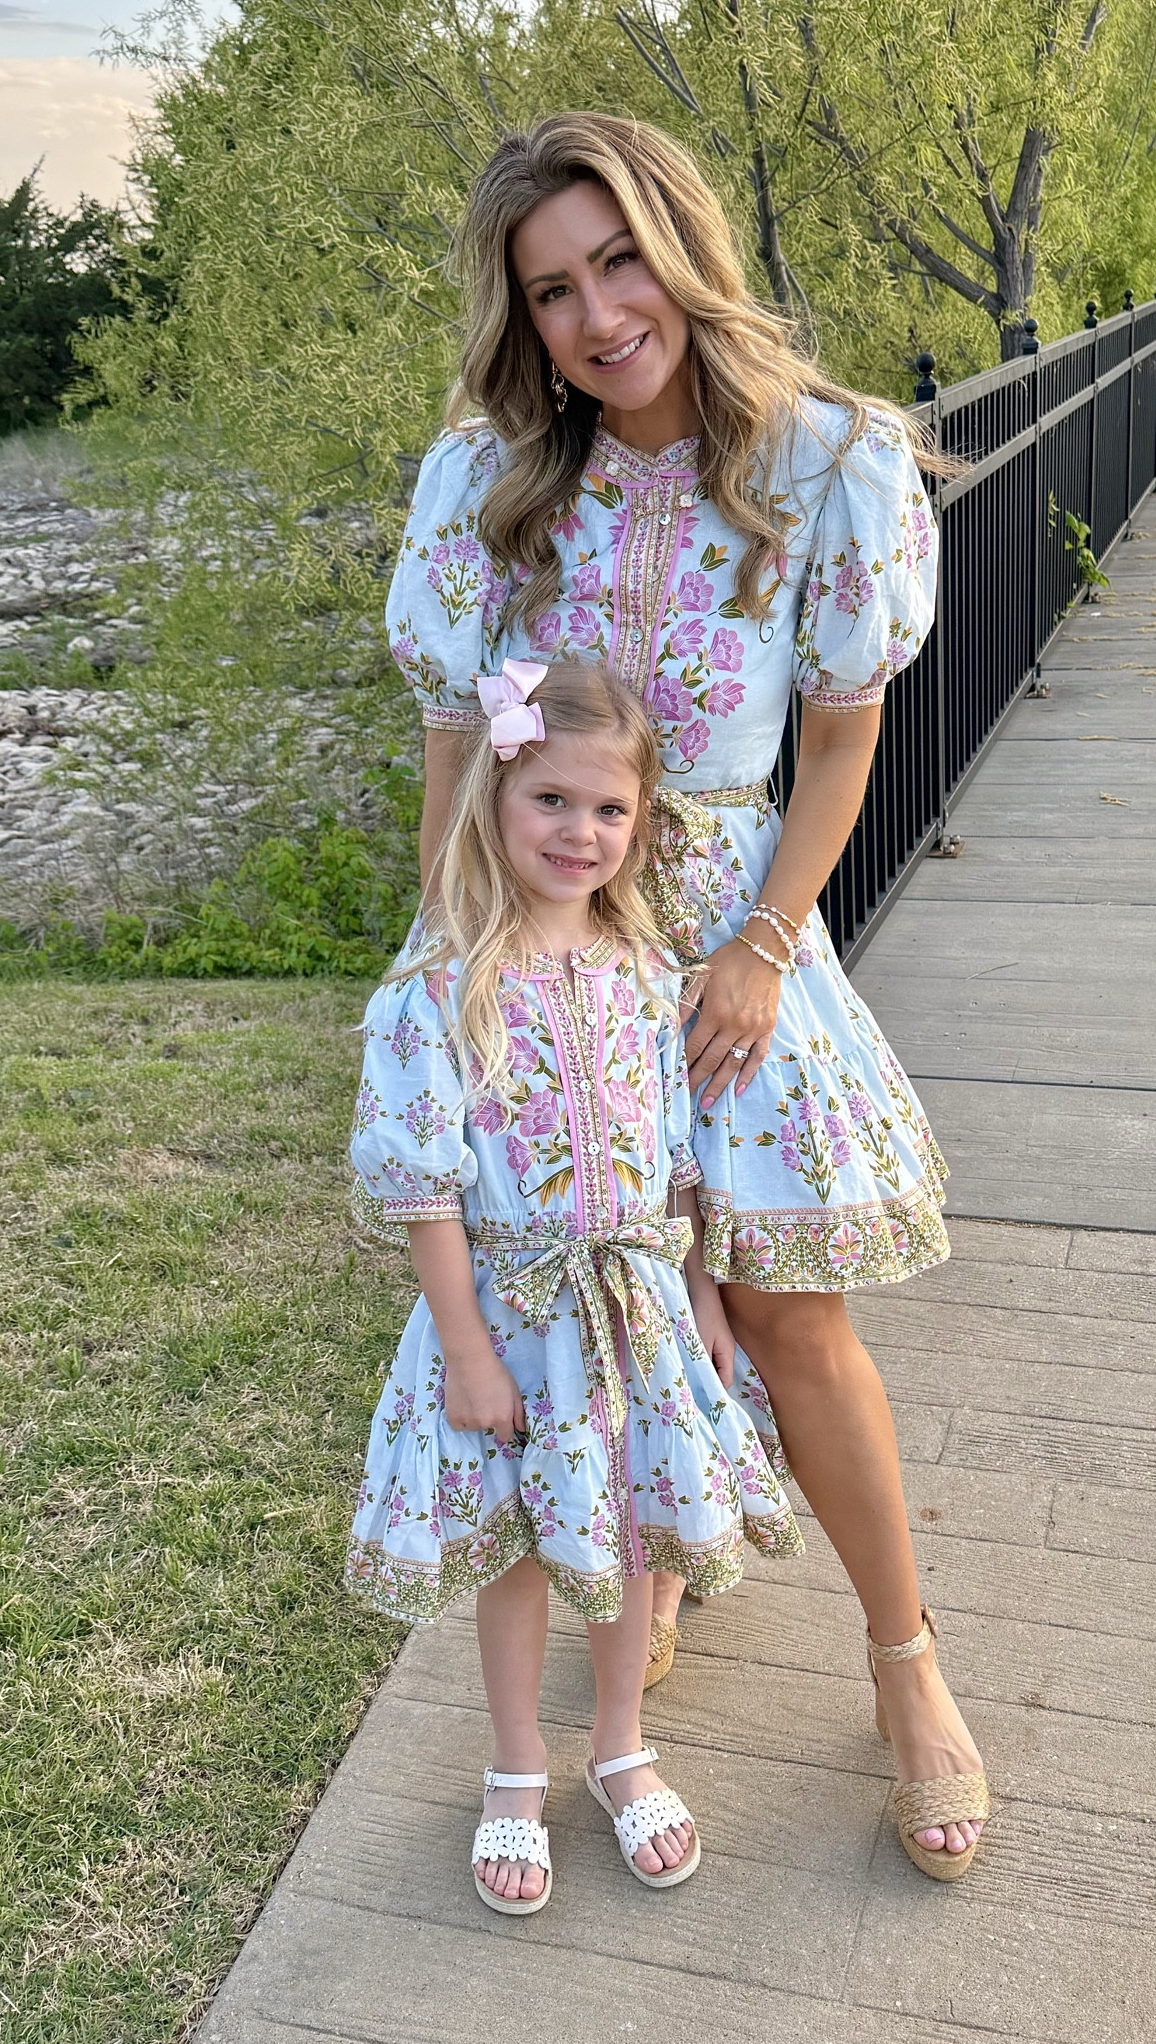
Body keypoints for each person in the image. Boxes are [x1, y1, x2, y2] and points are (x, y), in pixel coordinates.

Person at [389, 111, 990, 1880]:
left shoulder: (826, 464)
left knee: (789, 1318)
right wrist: (442, 961)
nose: (593, 313)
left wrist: (758, 945)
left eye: (616, 259)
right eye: (551, 288)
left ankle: (903, 1665)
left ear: (681, 244)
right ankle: (636, 1589)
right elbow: (458, 730)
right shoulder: (494, 483)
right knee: (594, 1297)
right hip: (557, 958)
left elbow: (837, 728)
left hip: (736, 939)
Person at [346, 659, 802, 1914]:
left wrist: (704, 1299)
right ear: (496, 794)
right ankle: (513, 1762)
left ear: (640, 822)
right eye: (551, 799)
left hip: (638, 1309)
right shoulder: (439, 980)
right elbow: (422, 1183)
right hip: (512, 1315)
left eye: (609, 811)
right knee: (523, 1554)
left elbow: (672, 1160)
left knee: (628, 1521)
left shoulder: (647, 968)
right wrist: (466, 1349)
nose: (580, 832)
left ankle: (618, 1741)